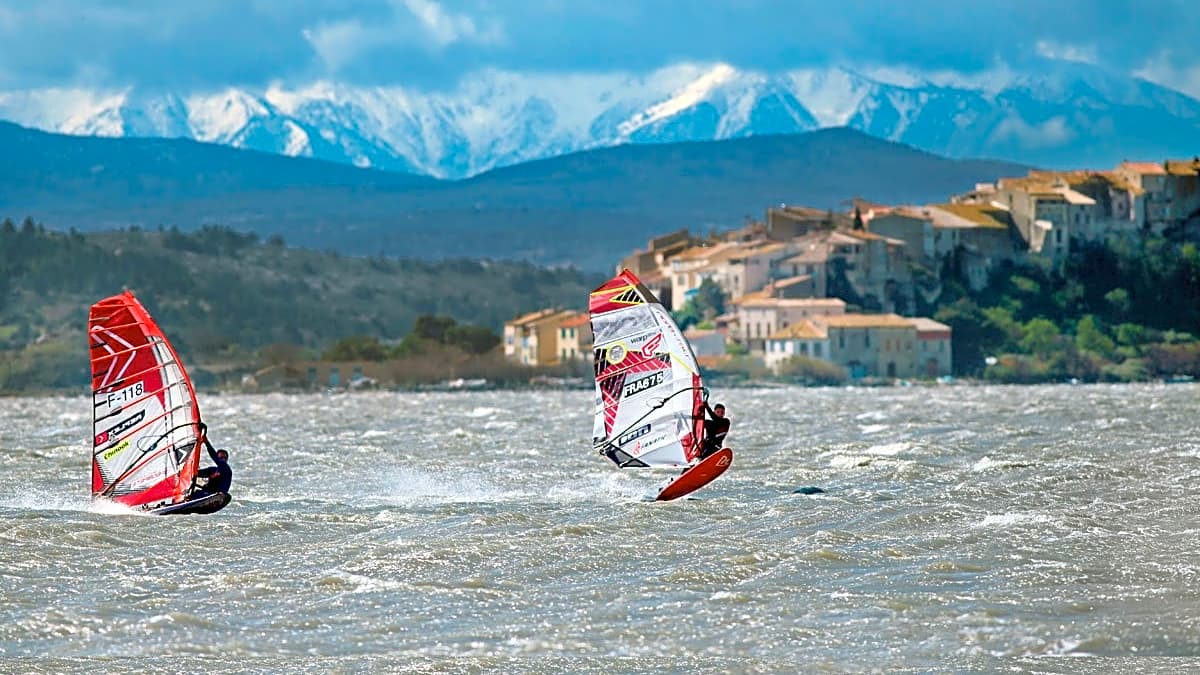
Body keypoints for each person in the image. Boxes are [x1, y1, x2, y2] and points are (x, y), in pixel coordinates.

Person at [193, 423, 233, 498]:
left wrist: (207, 443)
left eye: (224, 458)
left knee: (197, 495)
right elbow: (197, 473)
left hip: (218, 495)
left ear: (226, 459)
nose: (222, 460)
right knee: (194, 493)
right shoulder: (212, 470)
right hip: (207, 493)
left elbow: (214, 456)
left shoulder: (226, 469)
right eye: (220, 457)